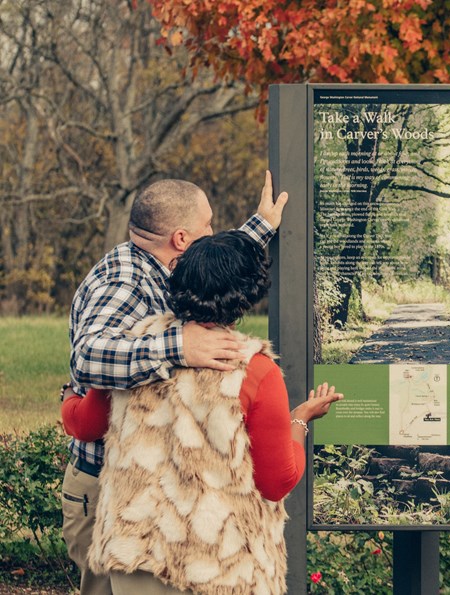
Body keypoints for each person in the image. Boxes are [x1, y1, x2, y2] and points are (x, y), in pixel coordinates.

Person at [61, 173, 287, 595]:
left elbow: (212, 268)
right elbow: (88, 358)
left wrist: (257, 229)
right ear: (181, 239)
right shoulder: (124, 282)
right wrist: (177, 345)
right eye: (209, 225)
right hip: (106, 487)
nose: (213, 231)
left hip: (150, 487)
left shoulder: (164, 264)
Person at [83, 231, 342, 594]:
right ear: (245, 298)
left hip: (137, 551)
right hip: (218, 563)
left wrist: (69, 395)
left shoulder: (139, 343)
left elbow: (84, 423)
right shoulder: (255, 370)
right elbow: (277, 481)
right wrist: (299, 420)